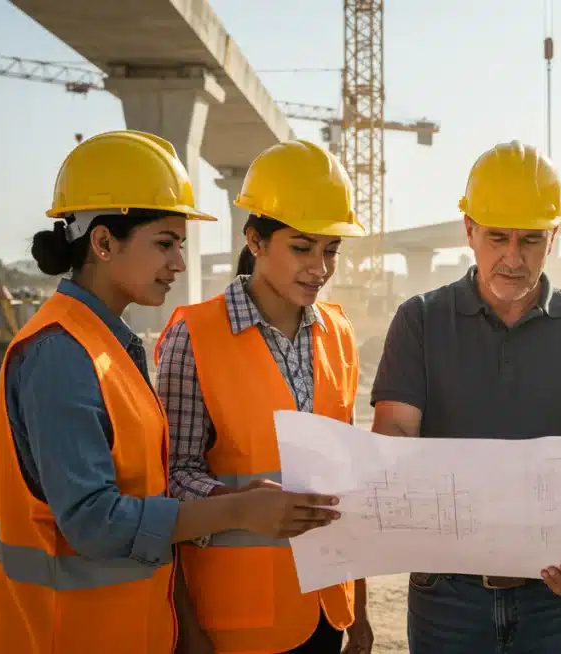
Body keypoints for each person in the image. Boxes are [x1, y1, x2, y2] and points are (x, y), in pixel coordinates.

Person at [0, 130, 342, 654]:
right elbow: (95, 523)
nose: (181, 264)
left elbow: (147, 491)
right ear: (102, 242)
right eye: (165, 243)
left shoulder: (108, 345)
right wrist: (235, 511)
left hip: (117, 630)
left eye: (180, 245)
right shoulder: (60, 355)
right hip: (56, 633)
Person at [369, 140, 561, 654]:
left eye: (531, 239)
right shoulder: (419, 321)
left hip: (556, 596)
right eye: (497, 238)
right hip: (447, 593)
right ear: (468, 230)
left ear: (553, 236)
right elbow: (395, 435)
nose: (513, 257)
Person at [155, 139, 373, 654]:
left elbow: (347, 476)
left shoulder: (337, 332)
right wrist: (236, 504)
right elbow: (168, 479)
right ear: (255, 240)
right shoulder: (195, 335)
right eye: (302, 247)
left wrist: (358, 612)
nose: (320, 267)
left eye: (331, 249)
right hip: (236, 620)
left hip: (326, 608)